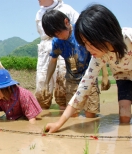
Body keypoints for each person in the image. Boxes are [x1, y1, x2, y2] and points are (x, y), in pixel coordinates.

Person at [45, 4, 132, 133]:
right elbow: (82, 89)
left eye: (90, 43)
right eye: (84, 43)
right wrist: (58, 124)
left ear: (105, 35)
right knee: (124, 116)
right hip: (123, 77)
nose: (87, 49)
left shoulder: (129, 37)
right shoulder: (98, 57)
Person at [42, 9, 111, 118]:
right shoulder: (57, 42)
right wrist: (46, 83)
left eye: (59, 33)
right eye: (55, 35)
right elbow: (53, 61)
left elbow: (99, 54)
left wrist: (105, 75)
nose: (59, 37)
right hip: (72, 80)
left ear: (66, 22)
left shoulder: (81, 34)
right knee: (73, 115)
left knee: (90, 114)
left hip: (90, 77)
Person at [35, 0, 79, 109]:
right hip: (46, 48)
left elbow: (78, 27)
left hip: (66, 46)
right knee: (42, 85)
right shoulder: (39, 14)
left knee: (63, 84)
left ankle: (64, 114)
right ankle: (43, 112)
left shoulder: (66, 9)